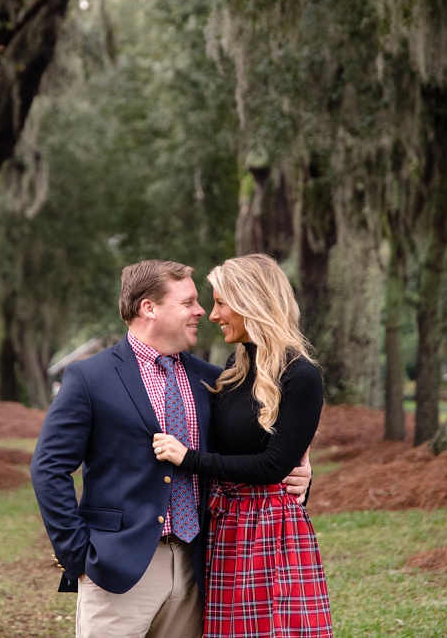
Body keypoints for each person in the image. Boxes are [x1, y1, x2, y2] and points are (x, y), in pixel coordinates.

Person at [30, 259, 312, 638]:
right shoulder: (90, 377)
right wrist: (77, 554)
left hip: (200, 566)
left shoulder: (214, 379)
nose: (202, 312)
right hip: (120, 567)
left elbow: (253, 448)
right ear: (149, 307)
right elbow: (49, 468)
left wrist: (300, 475)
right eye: (188, 302)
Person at [153, 253, 333, 637]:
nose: (213, 315)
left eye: (220, 303)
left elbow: (273, 466)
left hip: (270, 532)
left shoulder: (300, 375)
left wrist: (189, 459)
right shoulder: (232, 374)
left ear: (251, 301)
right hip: (225, 527)